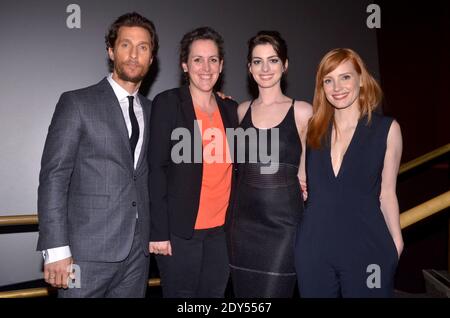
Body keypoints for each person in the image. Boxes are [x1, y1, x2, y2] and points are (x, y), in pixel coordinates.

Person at [36, 12, 158, 297]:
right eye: (126, 44)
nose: (133, 54)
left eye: (143, 47)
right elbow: (54, 177)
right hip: (82, 256)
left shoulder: (155, 111)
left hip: (138, 256)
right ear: (110, 50)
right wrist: (55, 250)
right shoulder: (77, 102)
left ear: (151, 58)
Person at [295, 48, 403, 297]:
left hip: (367, 247)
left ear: (360, 79)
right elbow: (301, 182)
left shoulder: (386, 129)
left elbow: (387, 193)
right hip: (314, 250)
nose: (337, 87)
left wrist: (396, 243)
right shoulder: (312, 129)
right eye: (328, 80)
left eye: (345, 77)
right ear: (321, 87)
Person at [148, 27, 238, 298]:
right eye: (197, 59)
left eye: (213, 60)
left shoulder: (231, 110)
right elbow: (156, 169)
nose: (206, 67)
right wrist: (158, 232)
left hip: (221, 233)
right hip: (180, 233)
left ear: (221, 66)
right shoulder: (168, 104)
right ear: (185, 65)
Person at [227, 31, 312, 298]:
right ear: (249, 67)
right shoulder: (240, 111)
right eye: (257, 61)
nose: (265, 69)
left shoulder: (303, 111)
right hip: (242, 225)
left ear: (285, 65)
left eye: (273, 60)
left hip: (284, 225)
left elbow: (308, 173)